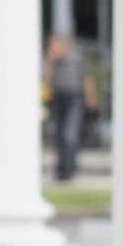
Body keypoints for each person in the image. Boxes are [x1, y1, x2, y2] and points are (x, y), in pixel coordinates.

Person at [46, 27, 89, 188]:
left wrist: (91, 98)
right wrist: (50, 60)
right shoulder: (52, 61)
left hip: (73, 97)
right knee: (58, 135)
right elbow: (45, 78)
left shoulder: (75, 57)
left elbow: (86, 77)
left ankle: (71, 170)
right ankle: (61, 171)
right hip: (57, 98)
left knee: (70, 134)